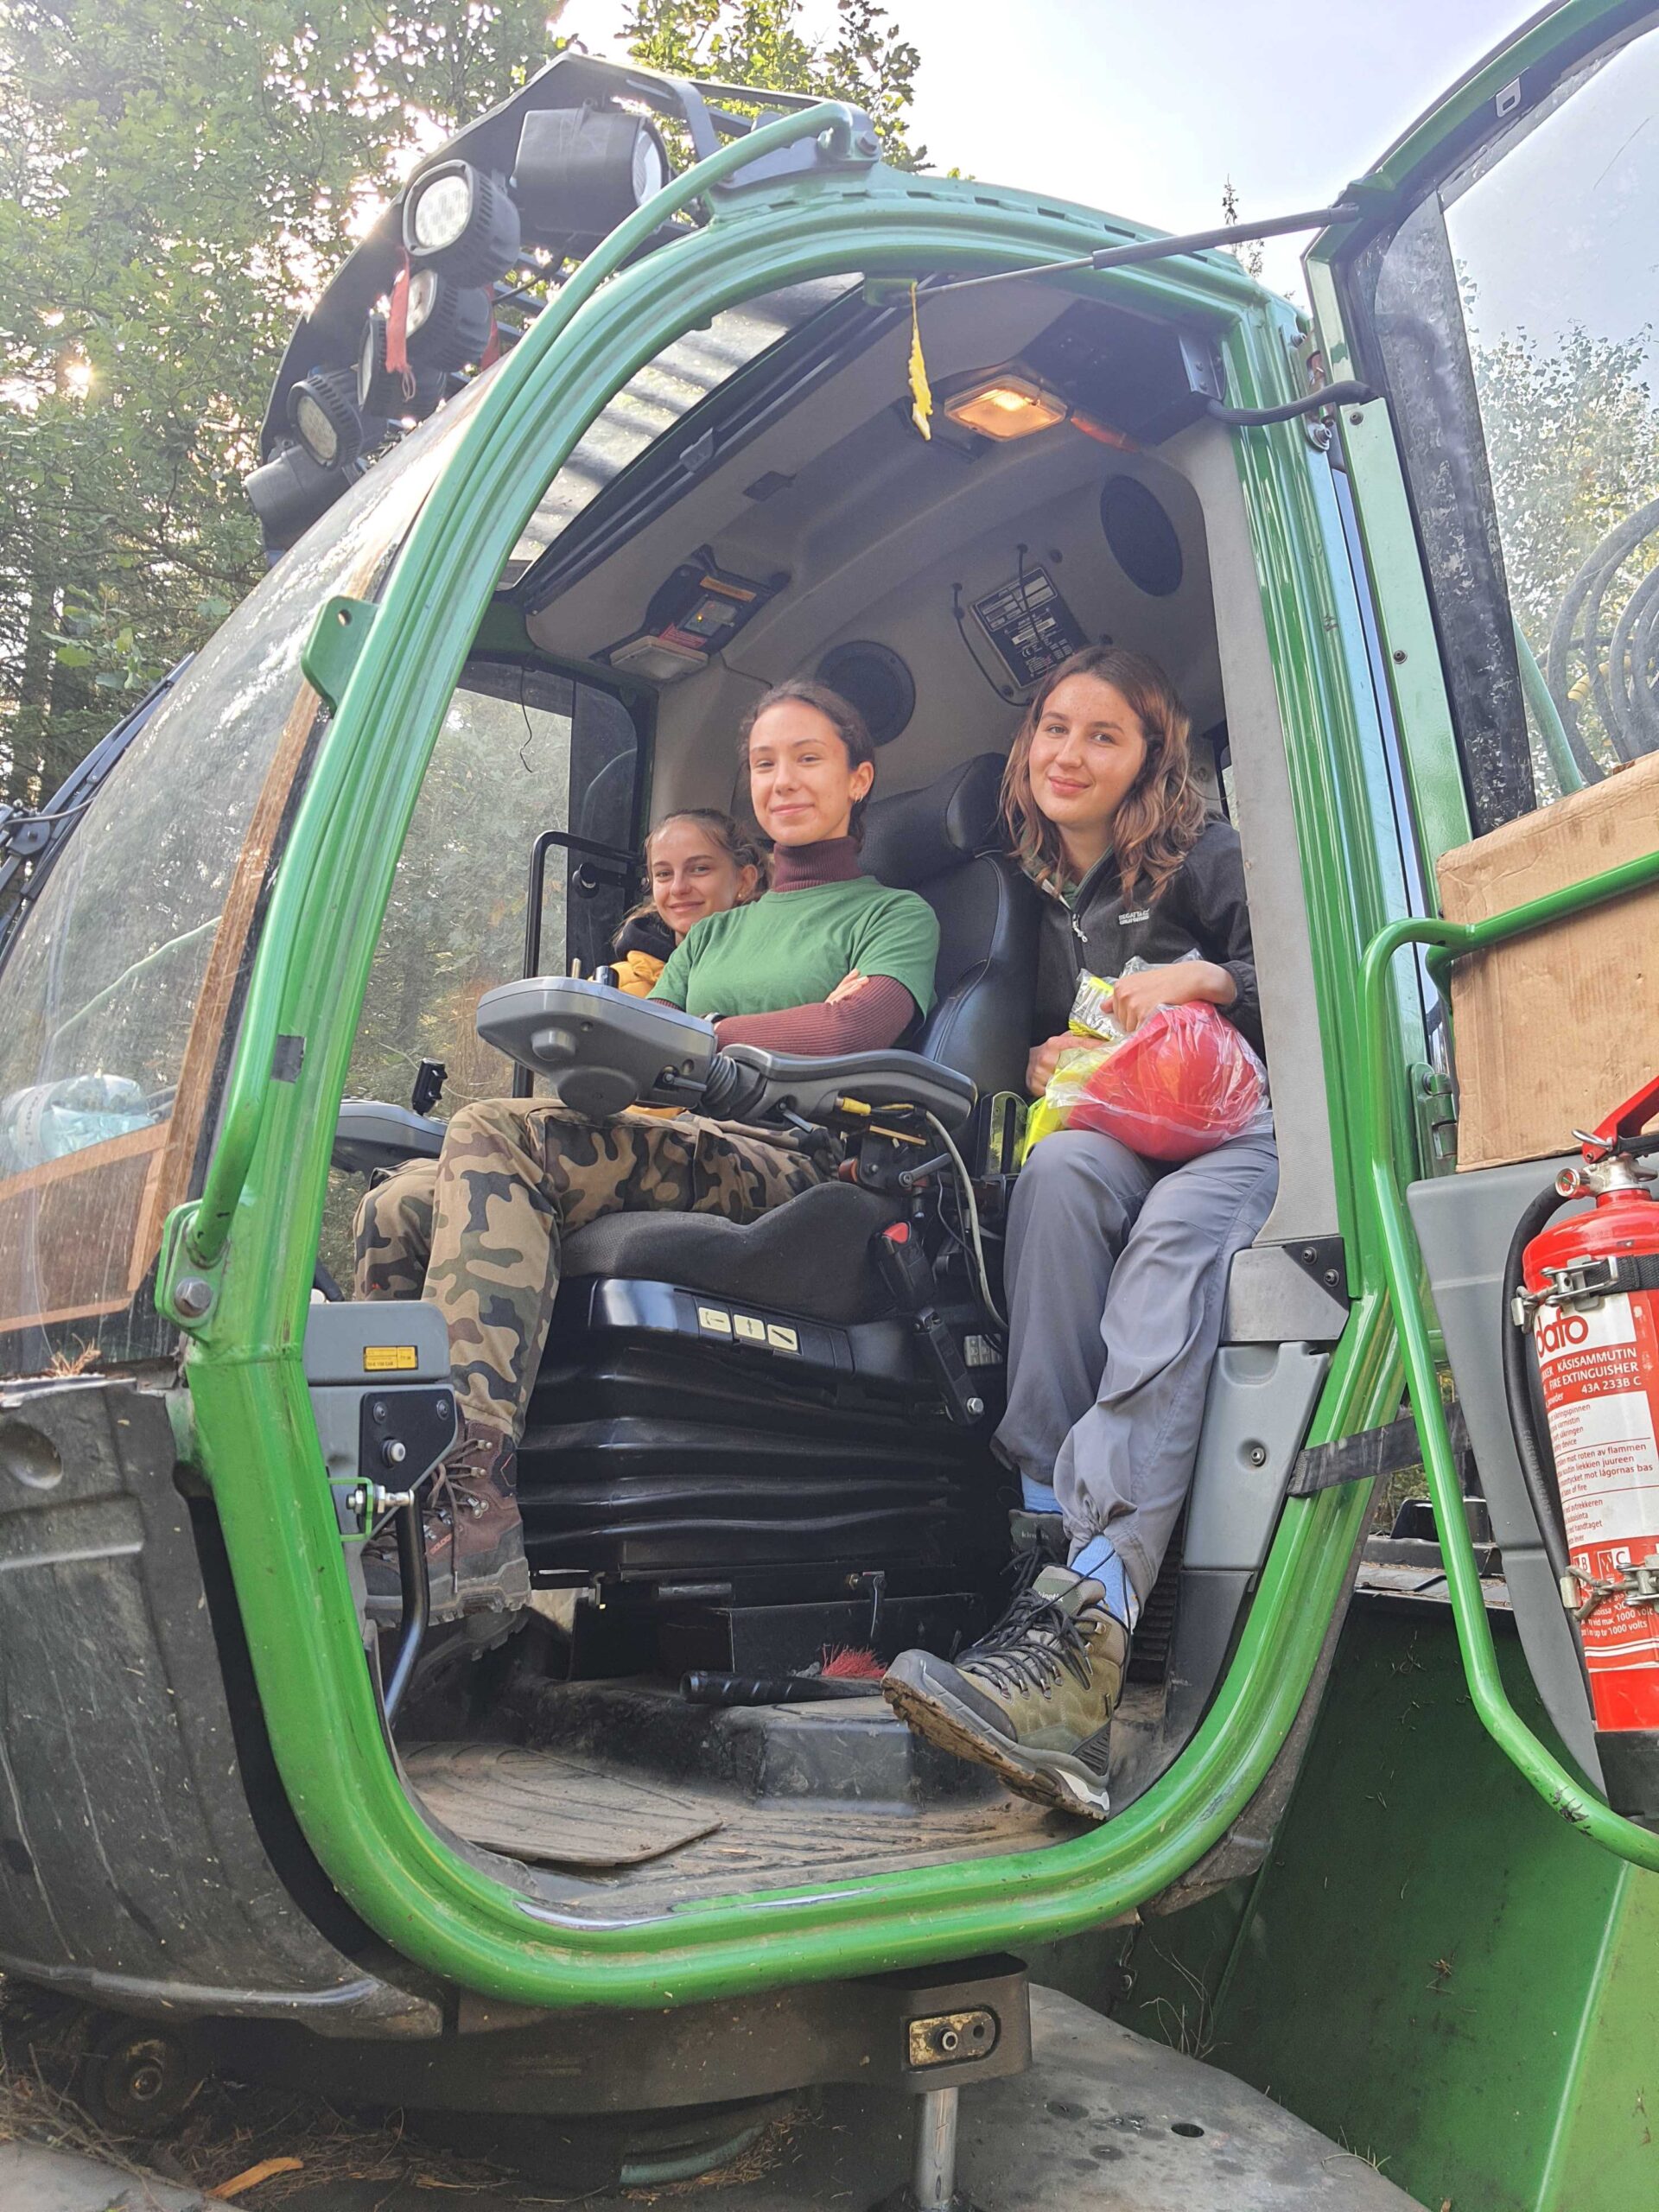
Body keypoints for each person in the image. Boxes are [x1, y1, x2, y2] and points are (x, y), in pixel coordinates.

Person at [354, 680, 939, 1623]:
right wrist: (713, 1035)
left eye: (809, 759)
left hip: (787, 1156)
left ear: (858, 778)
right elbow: (644, 1044)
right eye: (765, 763)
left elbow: (851, 1029)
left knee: (493, 1132)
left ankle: (472, 1500)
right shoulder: (713, 934)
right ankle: (389, 1490)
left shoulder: (893, 916)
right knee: (398, 1201)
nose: (783, 780)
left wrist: (709, 1036)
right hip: (676, 1139)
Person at [883, 645, 1278, 1821]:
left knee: (1168, 1248)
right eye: (1054, 727)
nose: (1068, 753)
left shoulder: (1207, 857)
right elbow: (1062, 1048)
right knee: (1051, 1183)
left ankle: (1093, 1618)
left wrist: (1207, 981)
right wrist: (1049, 1055)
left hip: (1235, 1134)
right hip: (1114, 1126)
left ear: (1150, 757)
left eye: (1104, 735)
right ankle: (1042, 1560)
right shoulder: (1032, 893)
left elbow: (1294, 974)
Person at [608, 810, 766, 997]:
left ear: (745, 881)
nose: (678, 888)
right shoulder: (615, 987)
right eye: (664, 874)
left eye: (699, 869)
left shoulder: (775, 977)